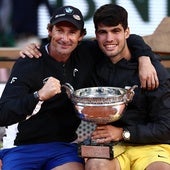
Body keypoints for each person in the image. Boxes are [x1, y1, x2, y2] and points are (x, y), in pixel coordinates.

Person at [0, 5, 158, 170]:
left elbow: (127, 39)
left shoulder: (86, 52)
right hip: (22, 147)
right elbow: (3, 114)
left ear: (81, 36)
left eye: (72, 32)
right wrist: (38, 96)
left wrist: (144, 58)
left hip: (63, 147)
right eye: (60, 30)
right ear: (49, 31)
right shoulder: (29, 61)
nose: (65, 38)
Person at [83, 4, 170, 170]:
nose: (109, 39)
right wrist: (33, 49)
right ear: (96, 35)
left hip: (152, 146)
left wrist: (123, 132)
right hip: (113, 144)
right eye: (103, 32)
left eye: (115, 31)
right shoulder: (92, 57)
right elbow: (62, 44)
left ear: (127, 33)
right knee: (96, 166)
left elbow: (166, 127)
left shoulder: (153, 71)